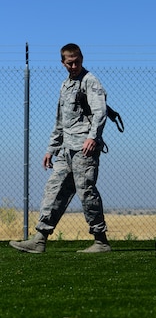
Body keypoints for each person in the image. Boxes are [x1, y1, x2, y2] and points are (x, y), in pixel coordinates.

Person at [10, 43, 111, 253]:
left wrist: (93, 137)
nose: (74, 66)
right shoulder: (65, 85)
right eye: (70, 62)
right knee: (53, 190)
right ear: (62, 62)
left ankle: (101, 241)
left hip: (85, 149)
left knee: (86, 192)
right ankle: (39, 239)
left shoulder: (90, 81)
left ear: (82, 58)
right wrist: (51, 149)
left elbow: (100, 112)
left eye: (77, 61)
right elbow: (60, 121)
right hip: (66, 150)